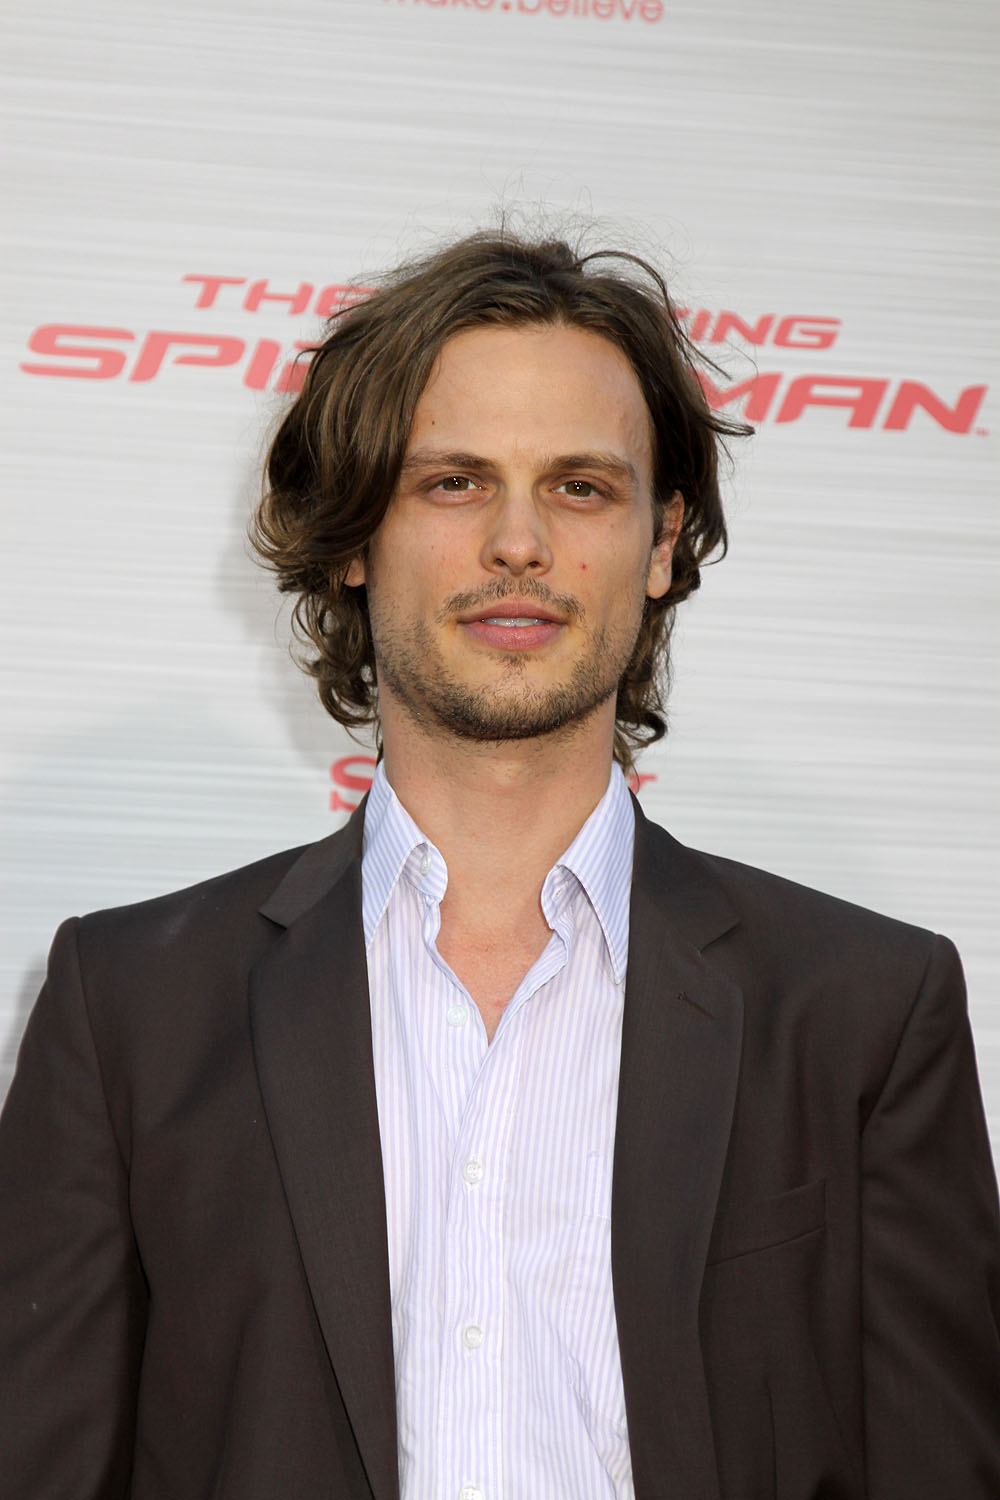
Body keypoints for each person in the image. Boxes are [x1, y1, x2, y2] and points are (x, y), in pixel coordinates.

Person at [1, 229, 998, 1500]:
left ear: (660, 541)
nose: (517, 542)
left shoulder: (862, 1007)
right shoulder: (131, 1007)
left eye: (579, 487)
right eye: (453, 483)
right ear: (352, 536)